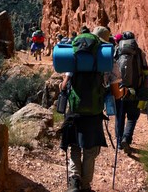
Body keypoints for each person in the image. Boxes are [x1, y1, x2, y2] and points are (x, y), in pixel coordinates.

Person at [59, 25, 111, 192]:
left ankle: (74, 181)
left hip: (75, 111)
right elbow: (113, 87)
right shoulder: (104, 58)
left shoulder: (74, 56)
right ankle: (86, 186)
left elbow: (64, 85)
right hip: (94, 112)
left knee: (74, 145)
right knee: (90, 151)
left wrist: (63, 85)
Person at [114, 31, 148, 154]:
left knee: (119, 116)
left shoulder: (117, 50)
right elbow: (145, 71)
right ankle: (126, 139)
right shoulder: (140, 52)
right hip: (135, 90)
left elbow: (112, 69)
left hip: (119, 89)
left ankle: (119, 142)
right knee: (132, 117)